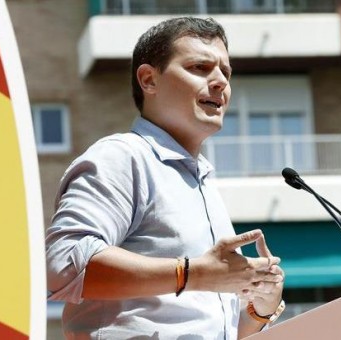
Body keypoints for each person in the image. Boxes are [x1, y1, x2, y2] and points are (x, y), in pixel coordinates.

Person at [46, 17, 285, 339]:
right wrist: (193, 273)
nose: (219, 82)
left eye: (225, 72)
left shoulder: (199, 179)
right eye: (200, 67)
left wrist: (259, 308)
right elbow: (62, 265)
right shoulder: (122, 157)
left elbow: (204, 324)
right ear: (148, 80)